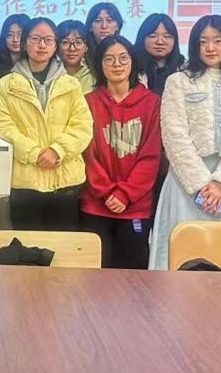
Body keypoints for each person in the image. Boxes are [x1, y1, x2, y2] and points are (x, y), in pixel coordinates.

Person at [149, 15, 221, 270]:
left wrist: (220, 183)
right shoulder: (178, 82)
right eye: (203, 41)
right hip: (186, 184)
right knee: (182, 257)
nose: (211, 47)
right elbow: (174, 134)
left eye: (218, 41)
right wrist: (201, 185)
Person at [0, 18, 93, 231]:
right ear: (24, 43)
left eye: (48, 40)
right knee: (27, 246)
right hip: (25, 182)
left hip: (65, 181)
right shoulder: (6, 85)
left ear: (55, 46)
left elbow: (82, 125)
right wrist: (33, 153)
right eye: (35, 39)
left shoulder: (71, 84)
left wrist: (57, 150)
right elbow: (2, 125)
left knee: (62, 246)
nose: (42, 45)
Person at [80, 35, 161, 269]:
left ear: (132, 62)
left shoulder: (151, 103)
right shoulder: (88, 102)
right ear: (100, 65)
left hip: (135, 206)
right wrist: (106, 192)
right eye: (109, 59)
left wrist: (125, 194)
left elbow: (151, 156)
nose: (117, 64)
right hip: (96, 204)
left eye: (123, 58)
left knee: (132, 278)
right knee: (93, 275)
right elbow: (87, 155)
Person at [133, 13, 185, 96]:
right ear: (142, 39)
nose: (160, 42)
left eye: (167, 36)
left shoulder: (185, 70)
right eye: (153, 36)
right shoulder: (131, 69)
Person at [0, 13, 30, 106]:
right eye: (10, 35)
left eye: (20, 34)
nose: (15, 39)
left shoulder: (35, 66)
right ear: (4, 38)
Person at [57, 19, 96, 95]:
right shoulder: (50, 75)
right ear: (57, 47)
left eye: (78, 42)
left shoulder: (95, 77)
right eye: (65, 42)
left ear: (86, 47)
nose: (72, 48)